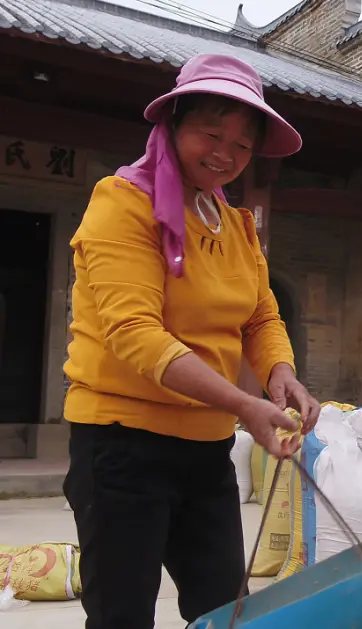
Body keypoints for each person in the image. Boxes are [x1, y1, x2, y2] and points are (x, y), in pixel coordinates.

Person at [63, 54, 321, 629]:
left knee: (223, 608)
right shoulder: (123, 202)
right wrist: (244, 405)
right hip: (121, 444)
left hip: (205, 447)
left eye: (242, 144)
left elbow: (261, 317)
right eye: (211, 133)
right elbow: (134, 334)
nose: (225, 154)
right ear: (173, 125)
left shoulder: (236, 226)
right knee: (122, 613)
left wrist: (280, 373)